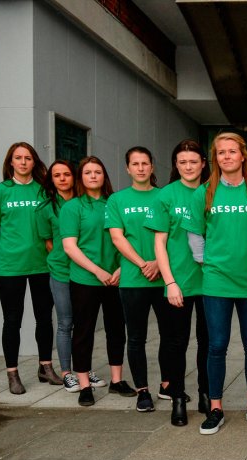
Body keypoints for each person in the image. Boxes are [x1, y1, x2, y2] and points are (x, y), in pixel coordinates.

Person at [182, 132, 247, 435]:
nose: (226, 157)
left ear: (242, 155)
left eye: (232, 152)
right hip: (217, 281)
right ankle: (216, 408)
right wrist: (209, 261)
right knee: (216, 345)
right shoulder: (204, 193)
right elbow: (195, 234)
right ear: (215, 158)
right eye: (221, 153)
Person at [0, 142, 60, 394]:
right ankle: (12, 374)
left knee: (44, 318)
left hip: (41, 266)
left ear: (34, 162)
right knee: (12, 320)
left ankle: (45, 367)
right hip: (11, 267)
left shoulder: (44, 192)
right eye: (18, 158)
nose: (23, 162)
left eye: (28, 158)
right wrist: (13, 251)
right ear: (10, 162)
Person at [147, 139, 211, 426]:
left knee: (209, 343)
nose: (188, 166)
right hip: (179, 283)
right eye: (182, 162)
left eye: (193, 161)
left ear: (203, 164)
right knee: (176, 343)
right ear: (176, 165)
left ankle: (207, 395)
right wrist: (170, 282)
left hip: (211, 282)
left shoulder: (213, 192)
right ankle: (177, 398)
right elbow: (159, 244)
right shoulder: (165, 196)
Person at [60, 157, 134, 406]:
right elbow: (70, 247)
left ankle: (116, 380)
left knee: (116, 330)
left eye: (98, 172)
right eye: (88, 172)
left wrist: (121, 268)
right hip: (85, 279)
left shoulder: (115, 203)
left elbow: (128, 238)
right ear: (81, 177)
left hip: (116, 278)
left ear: (105, 176)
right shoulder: (73, 207)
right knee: (83, 332)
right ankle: (84, 385)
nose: (93, 176)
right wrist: (98, 271)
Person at [106, 147, 171, 414]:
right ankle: (142, 390)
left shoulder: (164, 196)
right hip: (134, 279)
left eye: (145, 163)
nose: (141, 168)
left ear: (152, 167)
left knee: (169, 335)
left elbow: (172, 234)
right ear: (128, 168)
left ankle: (167, 385)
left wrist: (158, 263)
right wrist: (143, 263)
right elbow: (117, 237)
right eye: (136, 164)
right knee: (136, 337)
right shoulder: (117, 200)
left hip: (164, 278)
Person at [36, 159, 94, 393]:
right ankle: (67, 372)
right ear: (51, 179)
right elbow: (49, 242)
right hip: (61, 271)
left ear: (74, 177)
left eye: (67, 174)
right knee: (65, 323)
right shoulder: (45, 208)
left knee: (84, 324)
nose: (62, 178)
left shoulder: (86, 203)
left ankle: (84, 369)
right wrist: (66, 258)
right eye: (57, 175)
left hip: (85, 272)